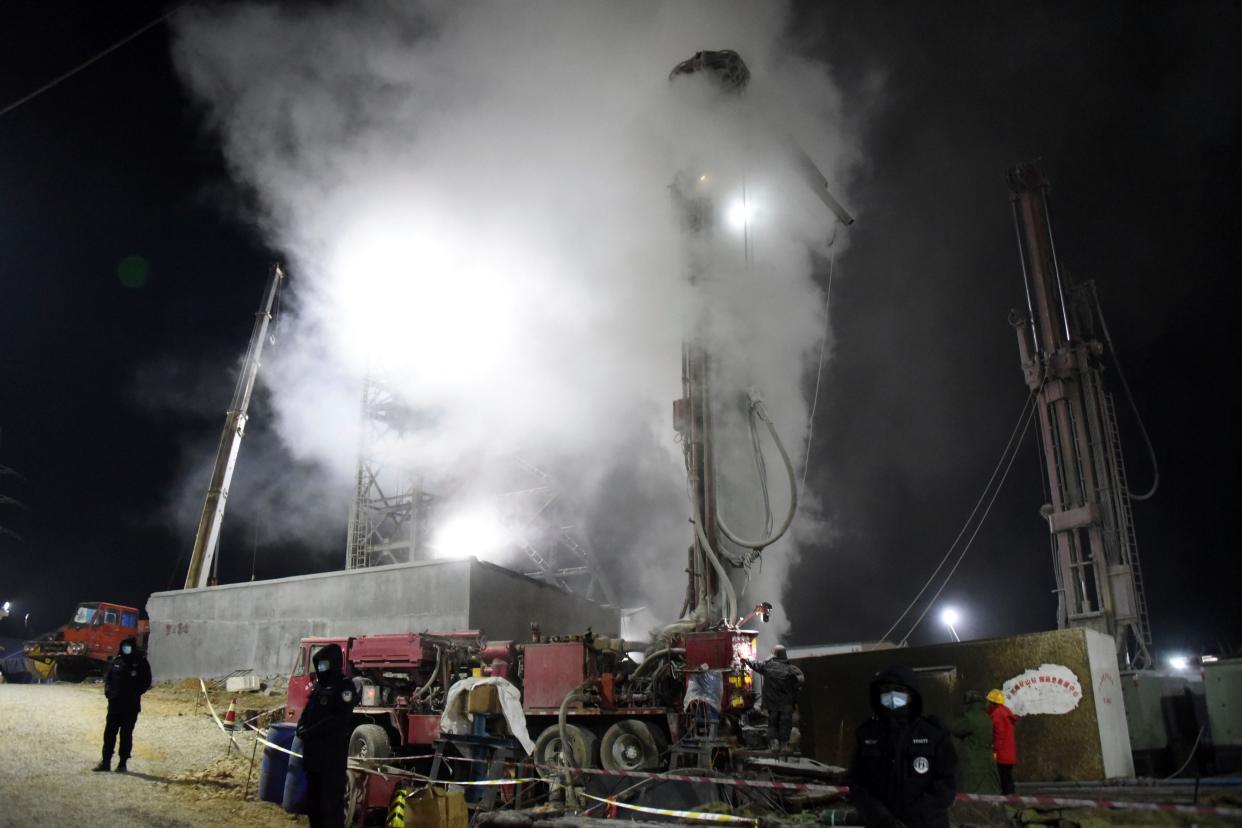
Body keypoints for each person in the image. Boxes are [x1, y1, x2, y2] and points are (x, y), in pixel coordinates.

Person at [849, 666, 957, 828]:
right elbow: (859, 785)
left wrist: (914, 817)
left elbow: (946, 783)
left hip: (926, 823)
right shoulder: (867, 734)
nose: (891, 696)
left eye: (898, 690)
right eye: (885, 690)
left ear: (912, 695)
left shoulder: (933, 734)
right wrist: (883, 819)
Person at [298, 643, 359, 828]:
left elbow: (339, 719)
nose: (321, 670)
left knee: (330, 808)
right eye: (319, 666)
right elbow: (307, 712)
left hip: (331, 761)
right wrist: (300, 727)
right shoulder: (318, 688)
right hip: (313, 759)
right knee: (314, 806)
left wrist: (311, 732)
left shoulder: (344, 687)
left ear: (333, 664)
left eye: (324, 665)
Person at [94, 635, 152, 773]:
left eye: (128, 645)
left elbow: (146, 682)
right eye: (124, 645)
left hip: (130, 706)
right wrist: (109, 693)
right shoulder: (117, 661)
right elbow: (109, 680)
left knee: (126, 735)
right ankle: (105, 762)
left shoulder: (140, 662)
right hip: (114, 705)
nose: (126, 648)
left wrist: (135, 693)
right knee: (109, 733)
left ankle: (122, 763)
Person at [745, 644, 804, 752]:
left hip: (772, 703)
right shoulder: (791, 670)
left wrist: (746, 659)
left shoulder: (768, 666)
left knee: (772, 723)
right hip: (786, 704)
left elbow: (755, 665)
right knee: (785, 724)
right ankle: (784, 746)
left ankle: (774, 744)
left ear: (774, 655)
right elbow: (800, 680)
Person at [951, 690, 999, 794]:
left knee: (971, 795)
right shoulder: (986, 717)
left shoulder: (969, 717)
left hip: (973, 762)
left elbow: (955, 729)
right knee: (986, 793)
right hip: (987, 760)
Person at [986, 689, 1018, 794]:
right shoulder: (1005, 711)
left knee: (1004, 779)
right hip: (1008, 752)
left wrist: (994, 749)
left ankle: (1009, 802)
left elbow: (998, 734)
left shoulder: (997, 714)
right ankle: (1011, 798)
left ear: (993, 702)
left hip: (1001, 753)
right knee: (1007, 777)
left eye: (989, 701)